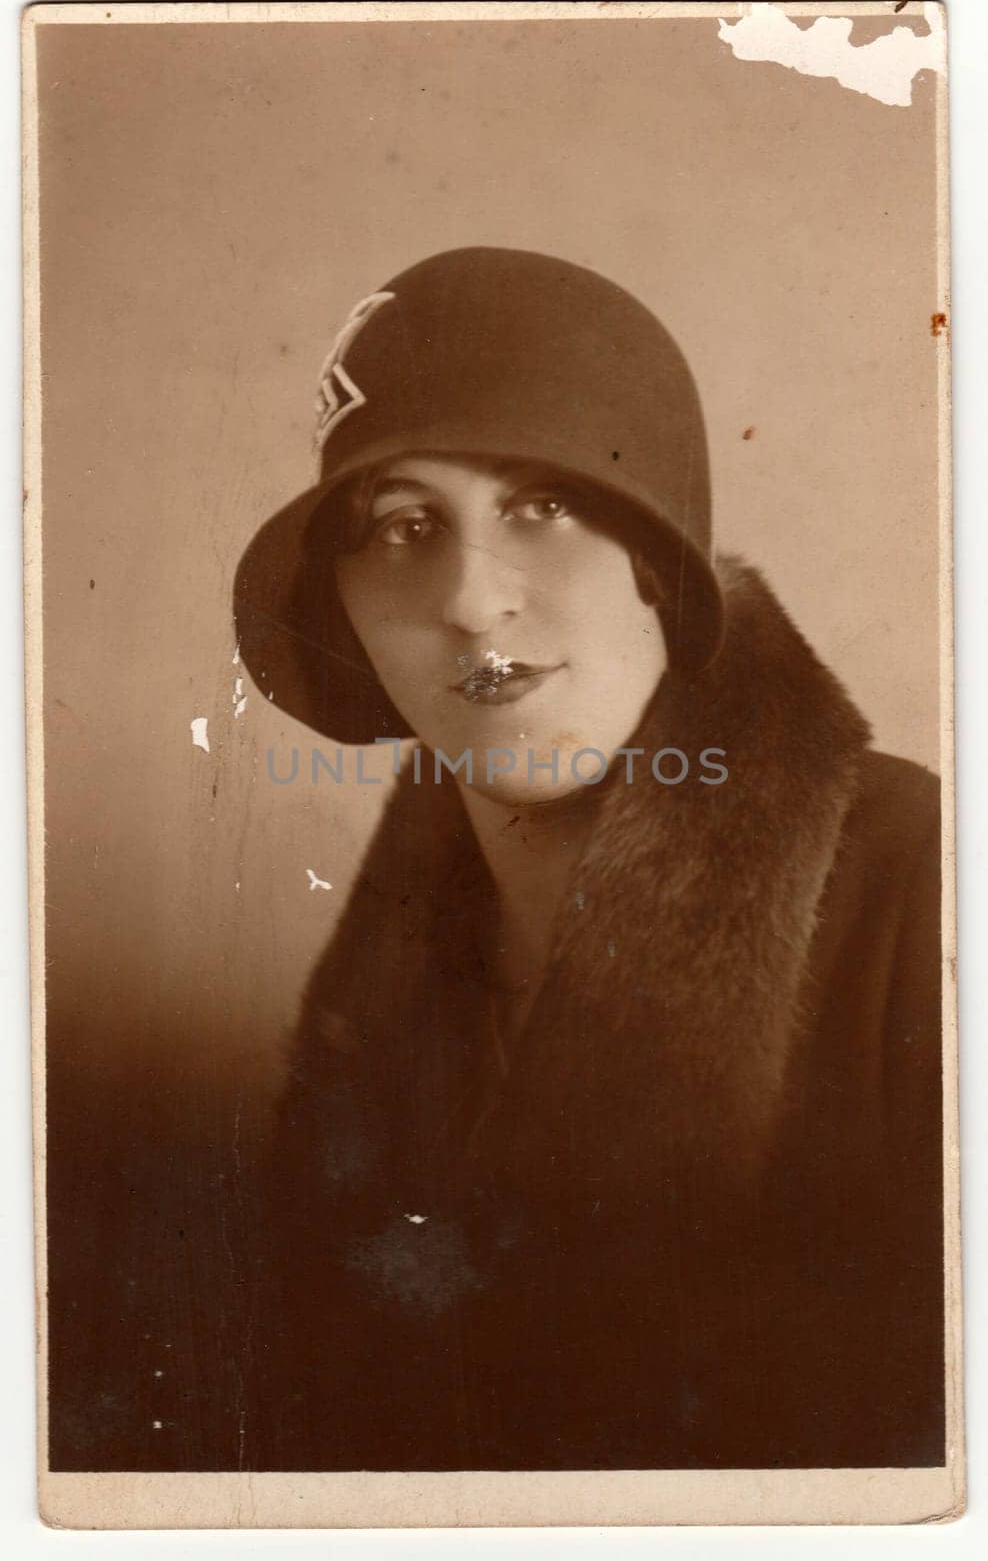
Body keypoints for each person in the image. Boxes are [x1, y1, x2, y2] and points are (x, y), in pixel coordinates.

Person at [234, 246, 944, 1471]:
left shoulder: (937, 890)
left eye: (541, 506)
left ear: (658, 566)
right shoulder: (397, 952)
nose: (468, 600)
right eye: (402, 525)